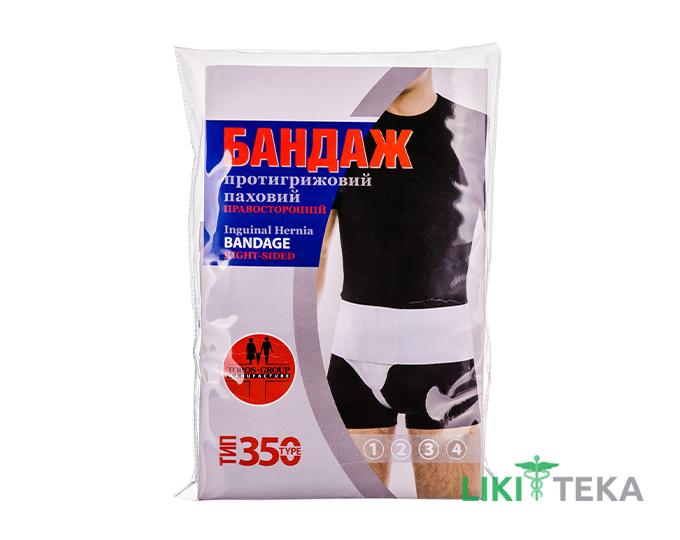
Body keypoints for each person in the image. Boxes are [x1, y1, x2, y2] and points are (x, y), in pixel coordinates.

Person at [319, 68, 486, 498]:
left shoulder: (478, 131)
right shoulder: (338, 136)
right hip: (353, 361)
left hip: (447, 366)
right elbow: (313, 257)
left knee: (454, 520)